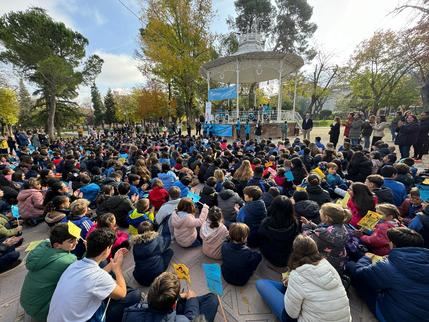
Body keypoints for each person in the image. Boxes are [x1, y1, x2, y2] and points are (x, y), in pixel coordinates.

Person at [47, 228, 141, 322]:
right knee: (135, 294)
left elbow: (94, 277)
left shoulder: (75, 265)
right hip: (85, 319)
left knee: (103, 265)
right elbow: (122, 293)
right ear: (107, 249)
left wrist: (113, 263)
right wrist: (117, 269)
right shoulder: (97, 277)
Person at [256, 235, 351, 322]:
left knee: (261, 283)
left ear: (295, 252)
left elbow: (291, 314)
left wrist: (292, 284)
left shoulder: (296, 275)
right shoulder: (328, 265)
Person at [348, 227, 429, 322]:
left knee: (351, 266)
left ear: (393, 244)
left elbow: (361, 273)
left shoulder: (389, 267)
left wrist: (366, 258)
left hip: (394, 316)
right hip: (422, 314)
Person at [20, 223, 77, 322]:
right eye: (71, 241)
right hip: (41, 310)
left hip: (27, 301)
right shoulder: (69, 260)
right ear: (57, 245)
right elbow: (84, 275)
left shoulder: (44, 246)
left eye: (76, 239)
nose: (76, 242)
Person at [122, 272, 219, 322]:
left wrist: (179, 297)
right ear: (173, 305)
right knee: (212, 299)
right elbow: (191, 318)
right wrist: (192, 299)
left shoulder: (131, 313)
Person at [302, 203, 350, 274]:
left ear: (327, 217)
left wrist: (306, 226)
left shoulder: (323, 233)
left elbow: (307, 239)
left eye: (321, 213)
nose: (319, 215)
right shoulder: (343, 227)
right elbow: (325, 230)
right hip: (338, 263)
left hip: (324, 264)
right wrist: (311, 224)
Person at [258, 196, 299, 267]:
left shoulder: (266, 223)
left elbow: (260, 236)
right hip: (288, 256)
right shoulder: (294, 222)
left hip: (271, 256)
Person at [132, 221, 173, 286]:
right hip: (155, 276)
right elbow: (167, 242)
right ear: (151, 231)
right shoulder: (157, 240)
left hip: (139, 278)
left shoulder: (135, 245)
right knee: (170, 251)